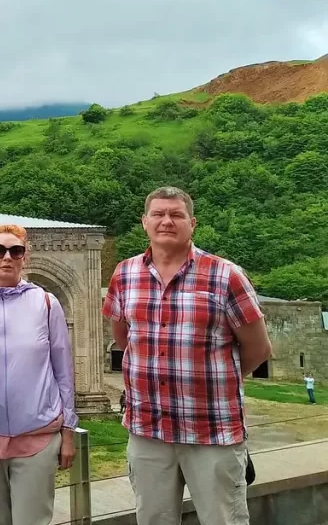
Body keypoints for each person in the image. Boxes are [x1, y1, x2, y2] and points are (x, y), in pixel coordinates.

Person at [103, 186, 272, 525]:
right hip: (148, 430)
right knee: (153, 519)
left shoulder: (225, 275)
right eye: (158, 214)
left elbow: (258, 349)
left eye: (176, 215)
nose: (166, 221)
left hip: (211, 430)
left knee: (222, 519)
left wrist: (213, 382)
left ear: (192, 223)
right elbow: (123, 338)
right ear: (144, 222)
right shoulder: (125, 274)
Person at [0, 223, 78, 525]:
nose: (7, 257)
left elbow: (63, 371)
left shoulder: (46, 304)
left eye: (16, 251)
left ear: (25, 257)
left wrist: (68, 432)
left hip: (37, 434)